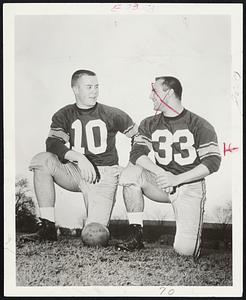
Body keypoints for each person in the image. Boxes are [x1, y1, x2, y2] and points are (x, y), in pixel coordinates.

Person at [22, 69, 138, 242]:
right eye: (89, 87)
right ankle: (47, 227)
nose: (94, 91)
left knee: (94, 237)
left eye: (96, 87)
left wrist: (132, 164)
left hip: (103, 176)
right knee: (42, 160)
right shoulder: (65, 114)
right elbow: (53, 143)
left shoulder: (113, 114)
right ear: (76, 89)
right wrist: (79, 158)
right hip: (75, 170)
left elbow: (139, 136)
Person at [117, 76, 221, 258]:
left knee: (185, 251)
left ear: (169, 93)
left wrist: (177, 179)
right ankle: (136, 234)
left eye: (154, 91)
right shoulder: (149, 123)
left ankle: (192, 233)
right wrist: (161, 172)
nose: (150, 96)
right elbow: (137, 154)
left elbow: (212, 162)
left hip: (189, 184)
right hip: (162, 183)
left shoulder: (200, 124)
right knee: (130, 172)